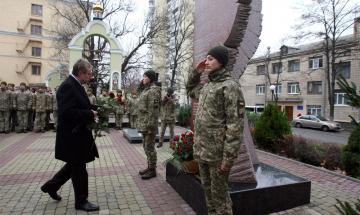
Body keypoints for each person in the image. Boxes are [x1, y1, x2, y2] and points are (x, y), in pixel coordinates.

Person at [186, 45, 245, 215]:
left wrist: (228, 158)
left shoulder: (230, 86)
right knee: (209, 194)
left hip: (218, 155)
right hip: (203, 151)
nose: (207, 61)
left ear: (221, 61)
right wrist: (196, 73)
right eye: (207, 58)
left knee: (220, 198)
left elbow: (235, 125)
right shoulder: (207, 86)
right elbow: (190, 90)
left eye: (211, 58)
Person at [41, 59, 100, 212]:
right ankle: (81, 202)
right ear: (80, 73)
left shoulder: (76, 85)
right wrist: (90, 114)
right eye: (89, 74)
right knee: (79, 169)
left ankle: (50, 186)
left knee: (73, 166)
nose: (90, 77)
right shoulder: (68, 86)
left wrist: (97, 109)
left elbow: (81, 105)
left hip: (78, 135)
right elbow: (67, 112)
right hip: (72, 137)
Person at [137, 70, 161, 180]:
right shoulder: (146, 89)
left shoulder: (153, 91)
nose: (143, 78)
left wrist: (151, 127)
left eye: (145, 77)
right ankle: (149, 166)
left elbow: (153, 111)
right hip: (144, 123)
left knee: (149, 147)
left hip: (149, 125)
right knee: (145, 146)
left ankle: (152, 170)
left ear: (150, 78)